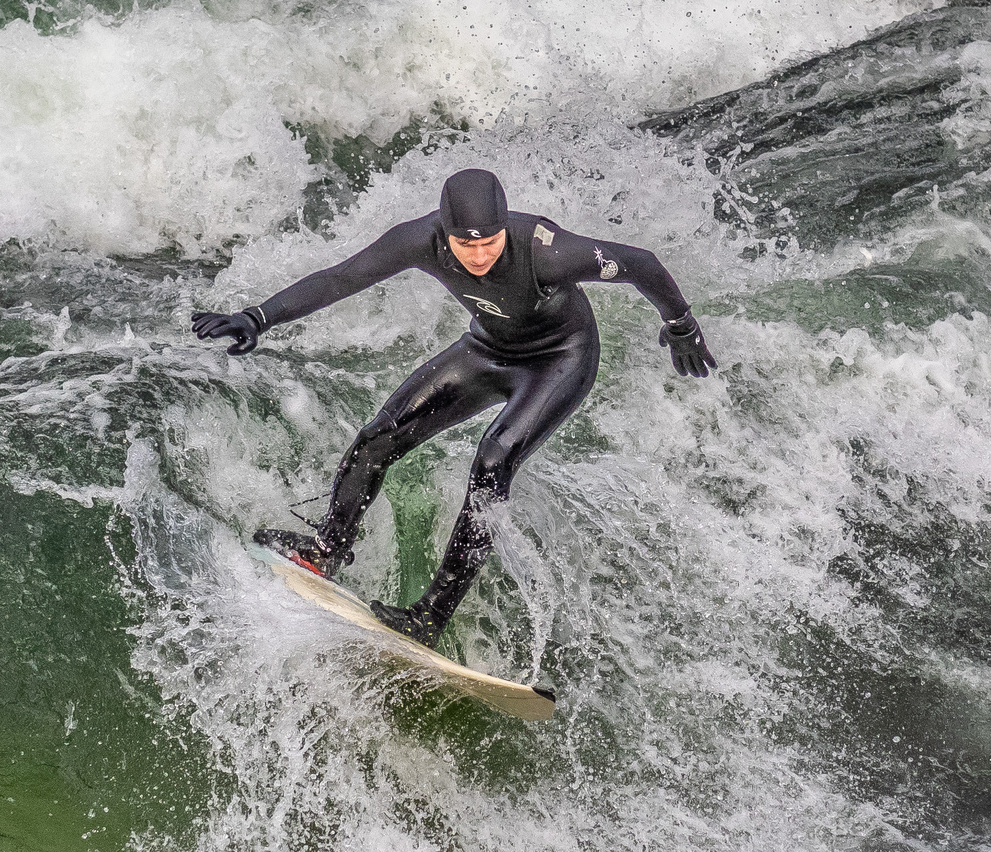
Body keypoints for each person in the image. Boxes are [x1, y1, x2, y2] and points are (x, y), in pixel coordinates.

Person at [192, 168, 717, 648]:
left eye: (491, 242)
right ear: (444, 234)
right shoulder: (419, 240)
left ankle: (431, 617)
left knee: (493, 462)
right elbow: (342, 278)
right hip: (487, 349)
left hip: (559, 360)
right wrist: (258, 316)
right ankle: (328, 548)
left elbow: (641, 264)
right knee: (381, 435)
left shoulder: (547, 250)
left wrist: (682, 328)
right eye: (469, 246)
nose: (481, 256)